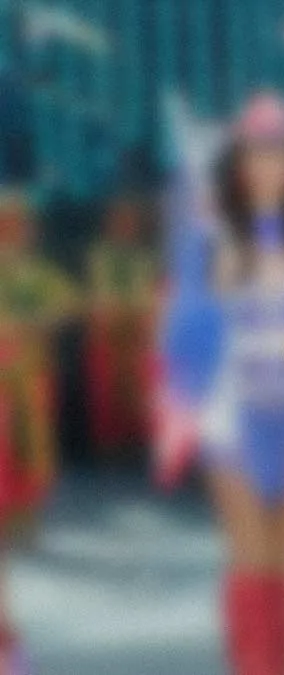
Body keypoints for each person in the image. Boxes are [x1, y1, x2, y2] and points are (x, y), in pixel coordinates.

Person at [159, 93, 284, 675]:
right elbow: (182, 336)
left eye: (281, 153)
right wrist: (214, 292)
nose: (270, 165)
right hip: (233, 419)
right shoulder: (211, 241)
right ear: (239, 164)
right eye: (258, 153)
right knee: (251, 560)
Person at [0, 188, 76, 673]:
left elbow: (68, 303)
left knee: (28, 447)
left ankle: (23, 515)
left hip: (26, 377)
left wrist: (34, 324)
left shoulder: (32, 273)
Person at [85, 196, 157, 456]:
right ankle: (111, 443)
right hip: (111, 327)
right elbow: (100, 291)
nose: (125, 226)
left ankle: (141, 437)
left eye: (130, 221)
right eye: (119, 220)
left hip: (138, 327)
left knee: (144, 370)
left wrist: (142, 312)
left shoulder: (145, 257)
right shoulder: (100, 255)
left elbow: (149, 292)